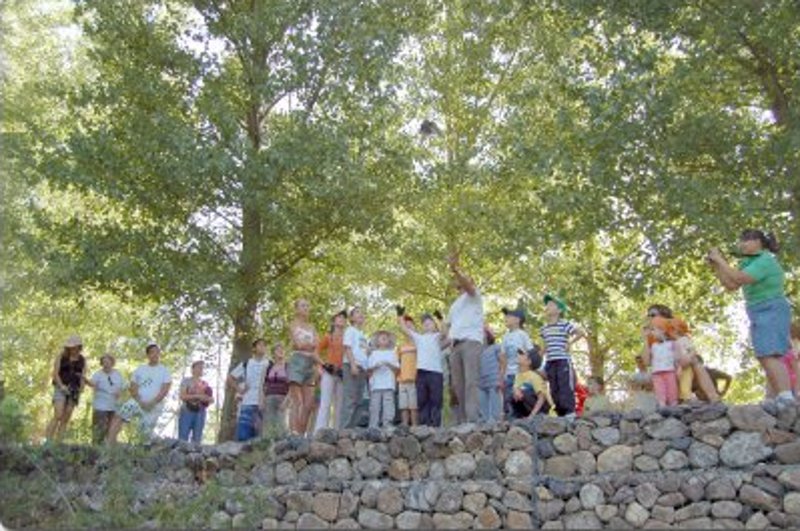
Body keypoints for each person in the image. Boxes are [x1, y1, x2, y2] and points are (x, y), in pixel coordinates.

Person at [707, 229, 793, 407]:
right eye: (741, 240)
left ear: (759, 242)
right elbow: (731, 284)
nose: (742, 244)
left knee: (770, 352)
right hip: (756, 310)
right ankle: (779, 396)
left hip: (771, 307)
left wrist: (721, 260)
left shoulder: (765, 260)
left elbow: (741, 277)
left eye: (747, 240)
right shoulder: (748, 262)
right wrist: (716, 266)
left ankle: (786, 397)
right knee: (764, 354)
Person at [444, 252, 484, 424]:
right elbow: (447, 326)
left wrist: (455, 269)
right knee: (457, 385)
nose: (460, 288)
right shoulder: (454, 306)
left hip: (471, 342)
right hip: (455, 345)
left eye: (462, 285)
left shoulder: (475, 296)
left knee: (471, 382)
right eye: (458, 287)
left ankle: (472, 420)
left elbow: (468, 285)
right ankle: (460, 420)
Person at [107, 343, 171, 444]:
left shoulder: (164, 370)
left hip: (154, 405)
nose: (155, 354)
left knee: (145, 435)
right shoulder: (140, 369)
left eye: (157, 352)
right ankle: (109, 443)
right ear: (148, 355)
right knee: (120, 415)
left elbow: (165, 389)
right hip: (137, 401)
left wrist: (152, 402)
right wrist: (139, 400)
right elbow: (133, 386)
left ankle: (144, 452)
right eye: (152, 352)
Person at [397, 308, 446, 427]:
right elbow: (404, 329)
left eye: (429, 323)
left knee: (436, 399)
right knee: (422, 399)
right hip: (421, 372)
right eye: (424, 324)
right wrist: (400, 316)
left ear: (434, 325)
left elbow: (445, 331)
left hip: (435, 372)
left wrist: (440, 318)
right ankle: (424, 424)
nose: (427, 325)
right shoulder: (419, 338)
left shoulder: (437, 336)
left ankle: (435, 425)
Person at [540, 294, 585, 418]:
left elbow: (580, 332)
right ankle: (559, 413)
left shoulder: (564, 324)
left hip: (563, 360)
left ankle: (570, 412)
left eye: (551, 305)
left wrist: (569, 343)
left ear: (559, 310)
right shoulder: (544, 328)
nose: (548, 307)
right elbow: (544, 346)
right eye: (547, 305)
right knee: (554, 388)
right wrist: (540, 357)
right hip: (550, 361)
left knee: (565, 386)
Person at [286, 299, 322, 435]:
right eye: (303, 305)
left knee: (309, 403)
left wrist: (319, 365)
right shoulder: (293, 324)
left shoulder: (312, 327)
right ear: (296, 309)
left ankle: (301, 434)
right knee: (298, 401)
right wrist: (309, 345)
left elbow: (316, 346)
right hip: (297, 361)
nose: (306, 307)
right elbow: (298, 344)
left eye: (307, 305)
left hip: (310, 363)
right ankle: (293, 432)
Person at [227, 338, 271, 441]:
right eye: (260, 345)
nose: (263, 347)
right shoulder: (247, 363)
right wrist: (239, 389)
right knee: (243, 436)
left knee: (260, 437)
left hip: (263, 404)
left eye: (265, 345)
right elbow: (230, 378)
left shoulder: (269, 364)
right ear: (254, 348)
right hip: (247, 402)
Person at [45, 335, 87, 441]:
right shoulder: (61, 356)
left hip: (74, 390)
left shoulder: (82, 359)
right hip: (61, 387)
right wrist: (61, 386)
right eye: (71, 347)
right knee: (58, 414)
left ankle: (59, 444)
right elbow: (55, 374)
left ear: (79, 347)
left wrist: (82, 388)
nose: (73, 349)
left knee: (66, 418)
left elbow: (83, 375)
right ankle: (48, 442)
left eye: (75, 346)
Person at [314, 311, 346, 433]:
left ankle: (337, 432)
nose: (342, 319)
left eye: (343, 318)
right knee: (325, 402)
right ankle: (319, 431)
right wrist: (324, 365)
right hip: (329, 372)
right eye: (339, 317)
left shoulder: (348, 337)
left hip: (342, 373)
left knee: (339, 404)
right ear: (334, 321)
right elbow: (315, 352)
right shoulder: (328, 336)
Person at [86, 353, 125, 444]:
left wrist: (120, 392)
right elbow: (92, 383)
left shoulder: (118, 374)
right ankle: (96, 449)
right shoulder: (98, 374)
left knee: (112, 431)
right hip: (100, 406)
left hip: (114, 406)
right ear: (101, 363)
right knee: (99, 430)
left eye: (108, 362)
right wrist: (86, 381)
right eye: (104, 362)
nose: (106, 364)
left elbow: (123, 387)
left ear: (112, 363)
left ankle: (109, 451)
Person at [341, 306, 369, 429]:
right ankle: (344, 429)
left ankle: (352, 428)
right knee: (350, 397)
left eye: (362, 312)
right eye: (357, 312)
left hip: (362, 368)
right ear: (351, 318)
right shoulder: (350, 330)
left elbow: (365, 353)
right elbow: (347, 348)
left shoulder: (364, 335)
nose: (360, 314)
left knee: (359, 399)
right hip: (351, 366)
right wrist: (352, 364)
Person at [500, 308, 533, 415]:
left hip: (521, 374)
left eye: (509, 316)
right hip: (509, 374)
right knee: (508, 399)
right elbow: (503, 357)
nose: (506, 318)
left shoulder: (523, 335)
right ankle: (510, 420)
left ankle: (521, 419)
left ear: (517, 320)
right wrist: (501, 375)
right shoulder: (505, 337)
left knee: (520, 398)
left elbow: (530, 352)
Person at [643, 316, 679, 407]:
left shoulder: (671, 344)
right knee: (660, 391)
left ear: (662, 330)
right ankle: (662, 404)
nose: (652, 333)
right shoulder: (654, 346)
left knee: (672, 389)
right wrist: (646, 340)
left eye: (653, 330)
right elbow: (647, 360)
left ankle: (673, 403)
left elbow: (677, 358)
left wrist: (679, 368)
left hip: (670, 371)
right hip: (656, 373)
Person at [367, 330, 399, 429]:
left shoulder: (392, 353)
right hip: (376, 384)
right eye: (381, 337)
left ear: (389, 341)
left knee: (388, 405)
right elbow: (368, 369)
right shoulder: (373, 354)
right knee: (375, 406)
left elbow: (397, 369)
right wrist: (375, 366)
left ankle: (388, 424)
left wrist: (389, 364)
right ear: (377, 341)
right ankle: (373, 425)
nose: (384, 338)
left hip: (389, 384)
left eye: (386, 337)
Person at [510, 346, 553, 418]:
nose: (519, 356)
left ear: (529, 362)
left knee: (525, 392)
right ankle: (520, 417)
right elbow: (515, 388)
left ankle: (537, 415)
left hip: (542, 406)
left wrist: (532, 415)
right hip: (529, 403)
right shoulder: (518, 374)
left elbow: (541, 398)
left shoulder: (533, 376)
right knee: (513, 394)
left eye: (523, 355)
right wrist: (516, 391)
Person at [177, 360, 213, 443]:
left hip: (200, 411)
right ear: (192, 369)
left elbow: (210, 399)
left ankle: (194, 454)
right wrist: (197, 396)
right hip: (187, 410)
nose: (201, 369)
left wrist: (205, 398)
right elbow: (182, 396)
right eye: (199, 367)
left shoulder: (205, 384)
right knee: (183, 436)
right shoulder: (186, 381)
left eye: (202, 368)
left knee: (197, 437)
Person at [395, 311, 418, 426]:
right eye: (406, 325)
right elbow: (396, 362)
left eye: (410, 325)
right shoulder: (401, 347)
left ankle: (414, 426)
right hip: (402, 379)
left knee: (413, 405)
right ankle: (404, 424)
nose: (408, 327)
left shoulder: (419, 344)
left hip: (414, 379)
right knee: (403, 405)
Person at [478, 327, 504, 423]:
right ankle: (485, 424)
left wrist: (501, 378)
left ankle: (495, 424)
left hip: (494, 380)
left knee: (495, 408)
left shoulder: (496, 347)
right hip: (481, 382)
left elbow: (502, 362)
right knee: (483, 407)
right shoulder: (477, 351)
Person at [263, 342, 289, 434]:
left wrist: (286, 401)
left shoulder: (288, 366)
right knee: (268, 425)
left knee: (281, 425)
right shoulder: (269, 367)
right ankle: (267, 446)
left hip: (282, 398)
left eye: (282, 349)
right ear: (273, 353)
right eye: (278, 349)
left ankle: (281, 446)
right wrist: (262, 399)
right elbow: (264, 385)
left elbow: (292, 387)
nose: (281, 351)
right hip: (269, 398)